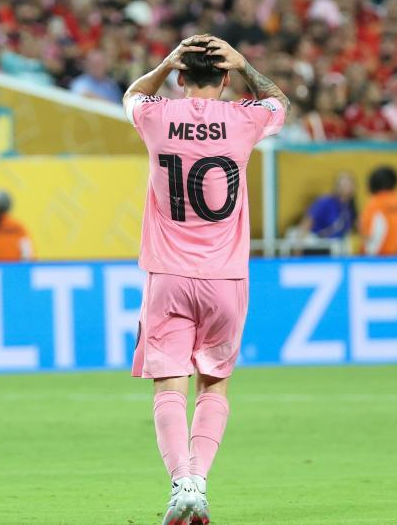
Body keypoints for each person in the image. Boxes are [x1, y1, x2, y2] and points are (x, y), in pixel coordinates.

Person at [123, 34, 288, 525]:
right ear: (225, 78)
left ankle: (182, 483)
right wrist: (247, 66)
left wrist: (162, 64)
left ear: (180, 77)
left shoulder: (156, 116)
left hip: (168, 274)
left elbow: (131, 94)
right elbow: (279, 102)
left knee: (168, 387)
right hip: (225, 278)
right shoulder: (243, 118)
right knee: (213, 388)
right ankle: (199, 482)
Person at [290, 172, 357, 254]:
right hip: (318, 245)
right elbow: (307, 222)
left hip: (335, 248)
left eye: (351, 184)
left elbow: (347, 231)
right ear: (337, 186)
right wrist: (298, 248)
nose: (349, 187)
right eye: (345, 184)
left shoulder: (349, 208)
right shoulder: (325, 202)